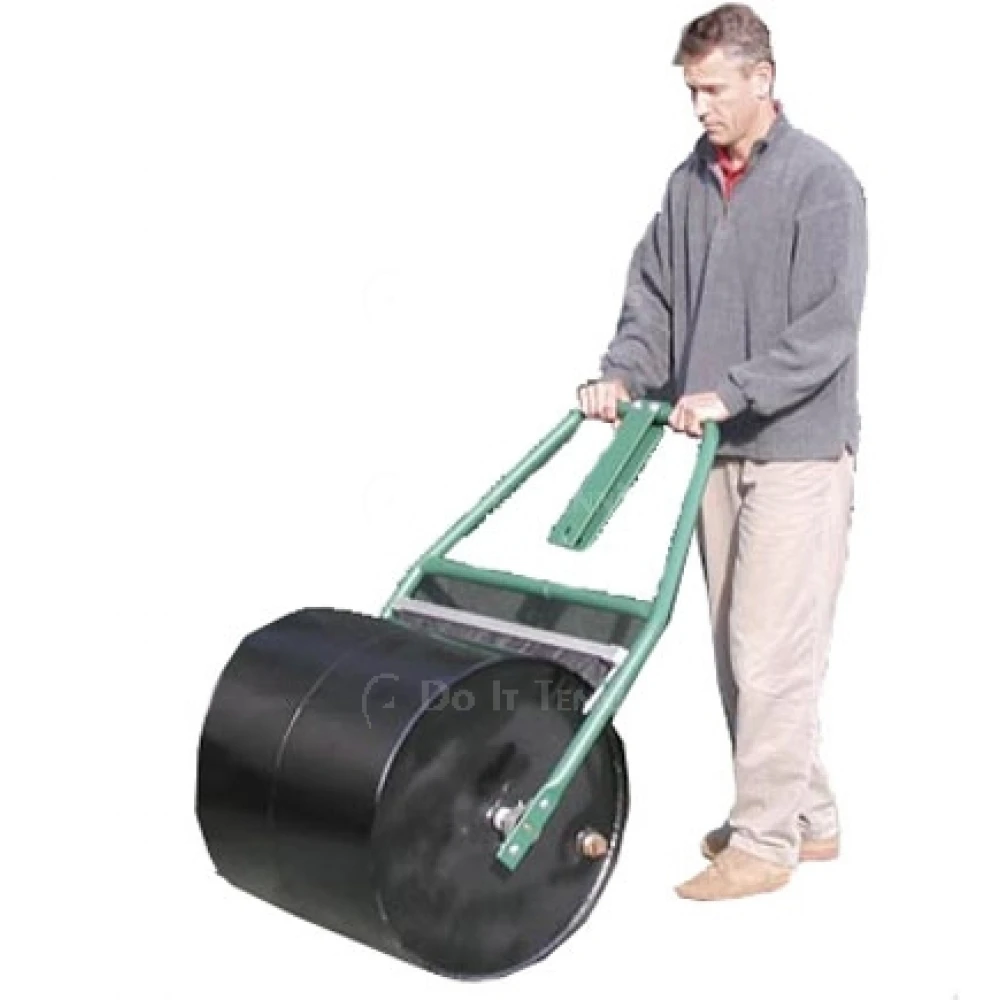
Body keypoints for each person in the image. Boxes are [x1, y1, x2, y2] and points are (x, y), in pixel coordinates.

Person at [577, 3, 867, 901]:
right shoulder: (690, 184)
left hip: (797, 452)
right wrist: (623, 374)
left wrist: (733, 389)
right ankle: (807, 816)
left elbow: (828, 327)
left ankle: (764, 843)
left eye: (712, 89)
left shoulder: (823, 182)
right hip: (718, 452)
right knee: (738, 648)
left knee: (770, 651)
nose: (700, 106)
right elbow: (655, 299)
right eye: (691, 91)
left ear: (761, 79)